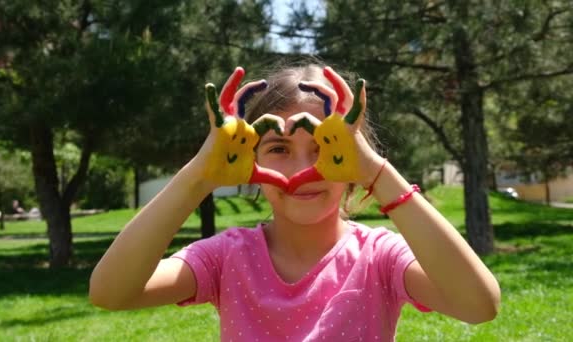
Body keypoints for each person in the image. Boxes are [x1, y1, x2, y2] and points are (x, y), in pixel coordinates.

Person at [89, 63, 500, 341]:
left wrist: (378, 174)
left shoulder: (380, 257)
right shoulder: (226, 257)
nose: (303, 169)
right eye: (279, 149)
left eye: (325, 147)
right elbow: (111, 292)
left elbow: (478, 304)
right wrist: (198, 176)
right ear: (249, 158)